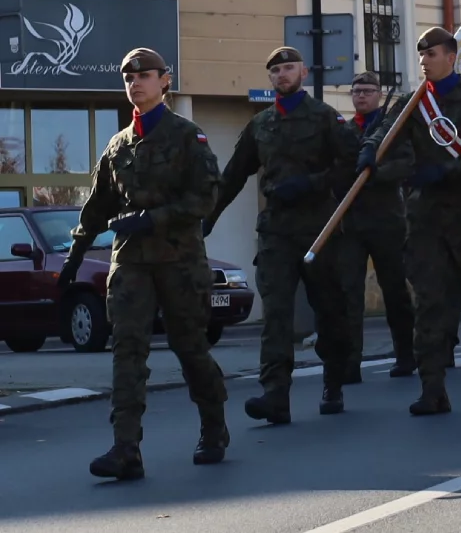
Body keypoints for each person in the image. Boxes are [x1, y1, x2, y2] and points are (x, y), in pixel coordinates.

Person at [61, 48, 228, 480]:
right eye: (128, 77)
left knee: (189, 346)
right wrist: (76, 253)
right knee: (127, 349)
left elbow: (205, 197)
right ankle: (125, 448)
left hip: (178, 259)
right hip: (131, 260)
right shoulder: (118, 145)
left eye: (144, 75)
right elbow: (96, 207)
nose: (135, 83)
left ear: (164, 81)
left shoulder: (188, 137)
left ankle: (214, 427)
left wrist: (154, 218)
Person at [357, 27, 461, 415]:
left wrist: (451, 170)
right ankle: (433, 389)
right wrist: (369, 154)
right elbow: (383, 133)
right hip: (425, 219)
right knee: (428, 303)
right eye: (421, 55)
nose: (424, 61)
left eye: (432, 55)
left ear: (451, 57)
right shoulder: (413, 103)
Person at [207, 47, 359, 424]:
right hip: (276, 230)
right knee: (276, 313)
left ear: (303, 72)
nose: (282, 74)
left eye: (288, 67)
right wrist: (207, 218)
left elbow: (353, 167)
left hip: (319, 229)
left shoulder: (325, 118)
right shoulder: (261, 125)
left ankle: (334, 381)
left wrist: (311, 183)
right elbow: (233, 175)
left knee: (330, 310)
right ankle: (275, 394)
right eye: (275, 70)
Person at [339, 72, 417, 380]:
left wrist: (376, 172)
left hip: (387, 219)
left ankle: (406, 355)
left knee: (395, 291)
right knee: (349, 293)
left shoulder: (393, 131)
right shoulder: (344, 131)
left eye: (368, 91)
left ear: (378, 94)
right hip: (352, 222)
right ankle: (350, 362)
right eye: (357, 91)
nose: (362, 96)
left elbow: (406, 164)